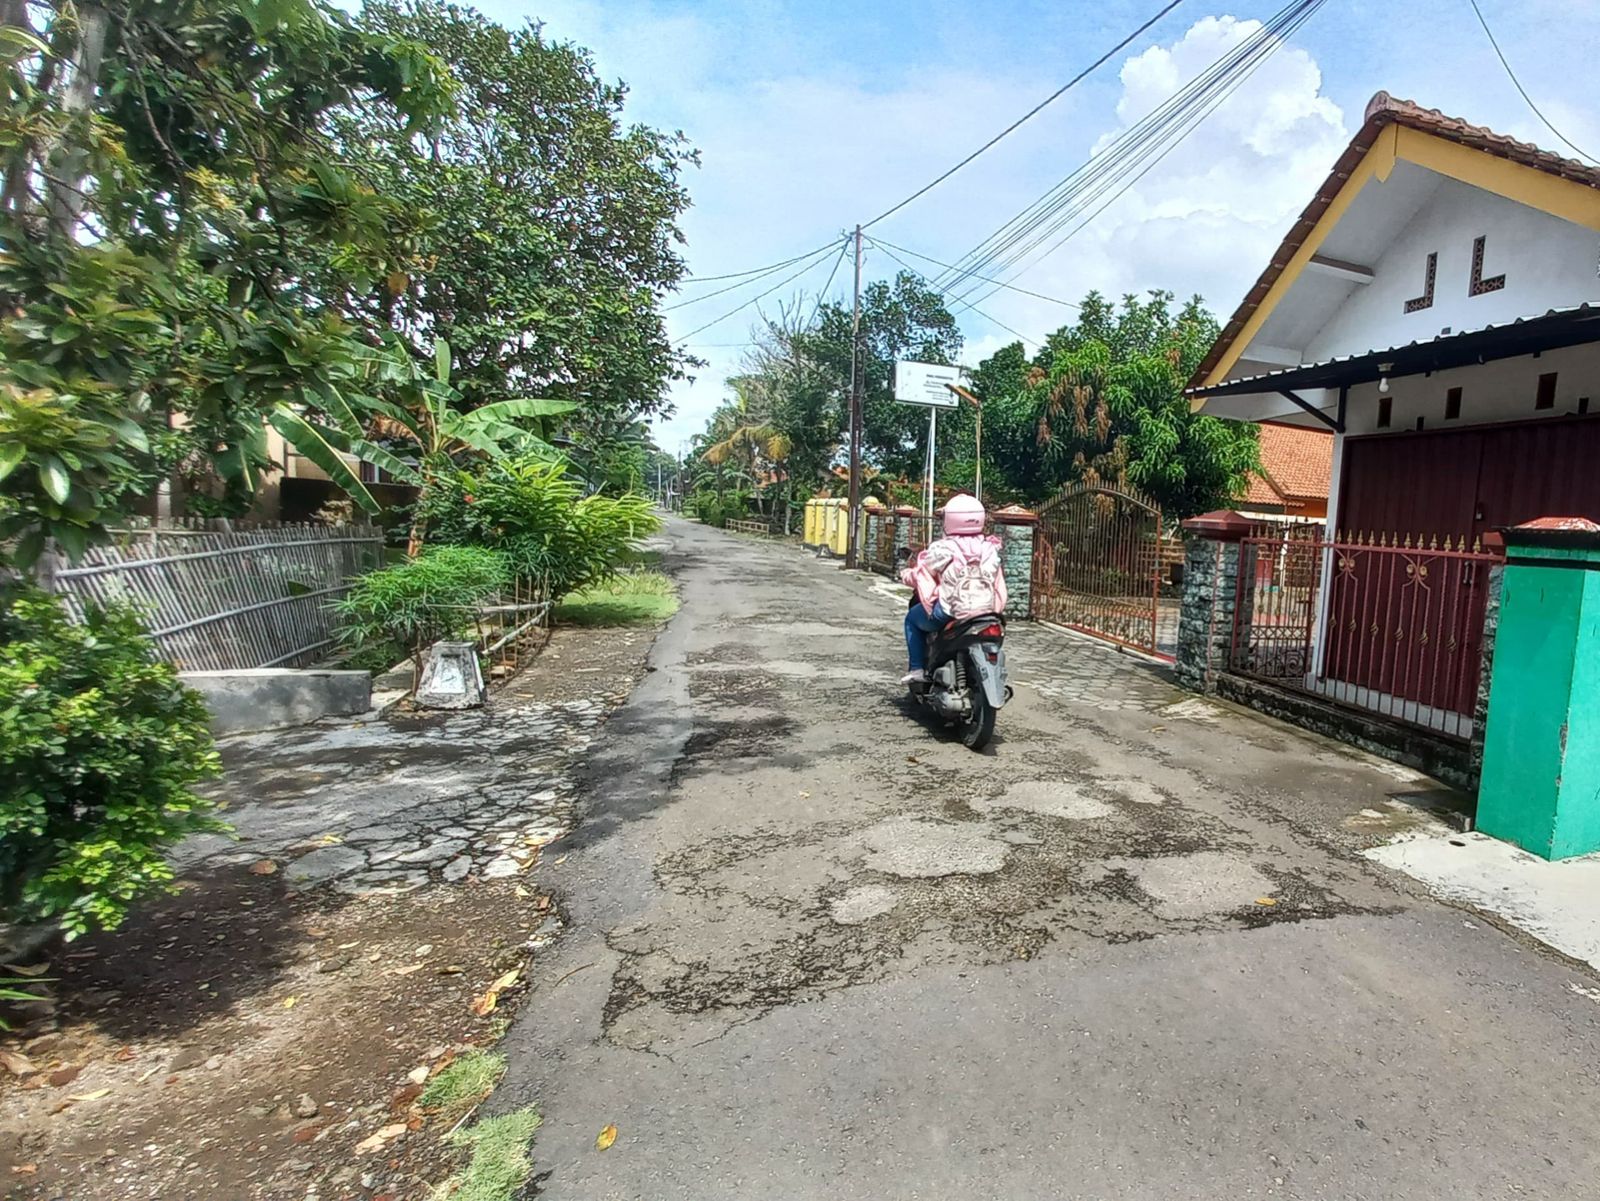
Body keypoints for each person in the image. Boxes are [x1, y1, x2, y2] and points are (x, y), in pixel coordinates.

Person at [899, 493, 1008, 685]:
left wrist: (906, 574)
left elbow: (922, 574)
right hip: (987, 612)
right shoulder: (990, 548)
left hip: (951, 611)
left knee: (911, 620)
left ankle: (917, 669)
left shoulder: (943, 549)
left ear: (949, 520)